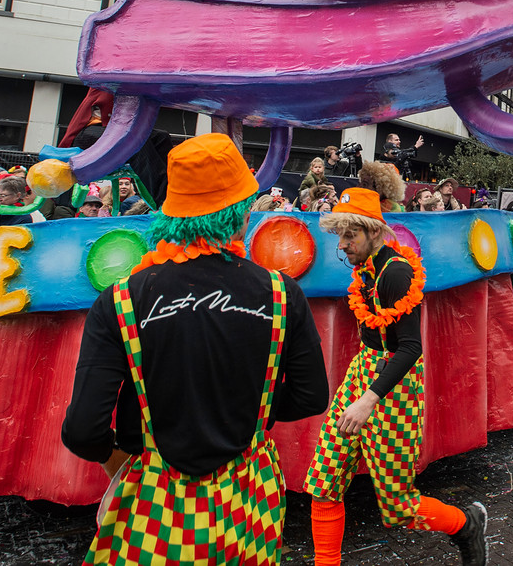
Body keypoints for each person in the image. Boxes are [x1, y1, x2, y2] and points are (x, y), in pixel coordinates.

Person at [62, 133, 330, 564]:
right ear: (242, 212)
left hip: (154, 504)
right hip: (249, 502)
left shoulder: (121, 299)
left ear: (171, 215)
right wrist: (245, 410)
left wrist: (121, 461)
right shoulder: (282, 293)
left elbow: (82, 431)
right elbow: (311, 395)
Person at [306, 187, 488, 566]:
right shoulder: (365, 270)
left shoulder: (397, 273)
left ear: (373, 231)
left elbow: (409, 348)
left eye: (349, 234)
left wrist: (367, 400)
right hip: (362, 373)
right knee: (323, 482)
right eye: (339, 235)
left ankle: (466, 525)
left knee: (397, 505)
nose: (342, 245)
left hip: (394, 390)